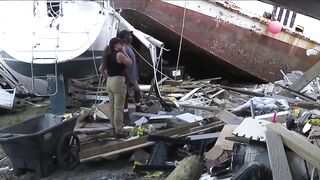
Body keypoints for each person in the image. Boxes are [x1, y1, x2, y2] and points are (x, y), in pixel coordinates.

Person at [99, 37, 132, 137]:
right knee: (118, 108)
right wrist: (125, 52)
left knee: (112, 106)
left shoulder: (108, 56)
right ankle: (119, 131)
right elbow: (130, 64)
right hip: (118, 80)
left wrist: (107, 78)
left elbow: (101, 69)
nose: (122, 45)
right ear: (116, 44)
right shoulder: (120, 54)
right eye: (120, 44)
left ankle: (113, 126)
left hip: (110, 81)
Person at [117, 30, 143, 113]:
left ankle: (138, 107)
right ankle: (125, 112)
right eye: (128, 35)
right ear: (123, 39)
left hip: (132, 75)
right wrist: (128, 78)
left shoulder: (129, 46)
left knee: (137, 90)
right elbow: (122, 65)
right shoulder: (122, 48)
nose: (131, 37)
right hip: (127, 76)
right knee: (126, 94)